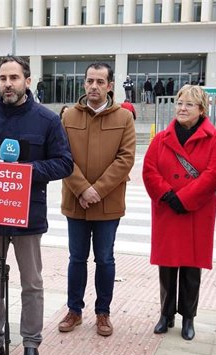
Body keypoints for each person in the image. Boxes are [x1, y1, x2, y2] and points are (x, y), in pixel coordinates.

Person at [0, 55, 73, 355]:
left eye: (14, 78)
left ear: (27, 81)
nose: (7, 84)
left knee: (32, 282)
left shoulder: (47, 120)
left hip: (28, 217)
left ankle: (30, 345)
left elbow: (64, 163)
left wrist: (25, 172)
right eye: (2, 78)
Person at [142, 85, 216, 341]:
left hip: (196, 211)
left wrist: (185, 198)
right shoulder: (161, 138)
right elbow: (149, 169)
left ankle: (188, 317)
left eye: (189, 104)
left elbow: (213, 176)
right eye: (180, 102)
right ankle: (165, 314)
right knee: (167, 265)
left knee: (191, 267)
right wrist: (168, 195)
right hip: (168, 208)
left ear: (201, 109)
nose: (182, 108)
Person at [57, 63, 136, 338]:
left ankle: (103, 312)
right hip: (75, 201)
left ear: (110, 86)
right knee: (76, 258)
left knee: (104, 259)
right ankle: (74, 310)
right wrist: (81, 188)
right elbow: (63, 156)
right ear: (84, 83)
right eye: (90, 81)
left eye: (100, 82)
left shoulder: (124, 118)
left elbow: (125, 159)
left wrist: (97, 190)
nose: (94, 86)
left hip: (107, 204)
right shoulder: (68, 116)